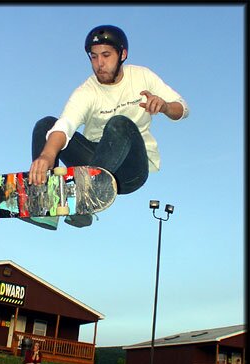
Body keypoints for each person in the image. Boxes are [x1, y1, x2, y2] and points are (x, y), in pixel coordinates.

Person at [26, 25, 189, 230]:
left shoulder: (142, 76)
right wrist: (47, 156)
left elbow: (183, 108)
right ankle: (44, 204)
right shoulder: (87, 91)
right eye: (93, 57)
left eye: (106, 55)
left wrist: (165, 106)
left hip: (131, 170)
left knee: (120, 123)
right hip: (95, 161)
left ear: (122, 54)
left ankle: (86, 202)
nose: (99, 64)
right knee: (46, 125)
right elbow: (65, 124)